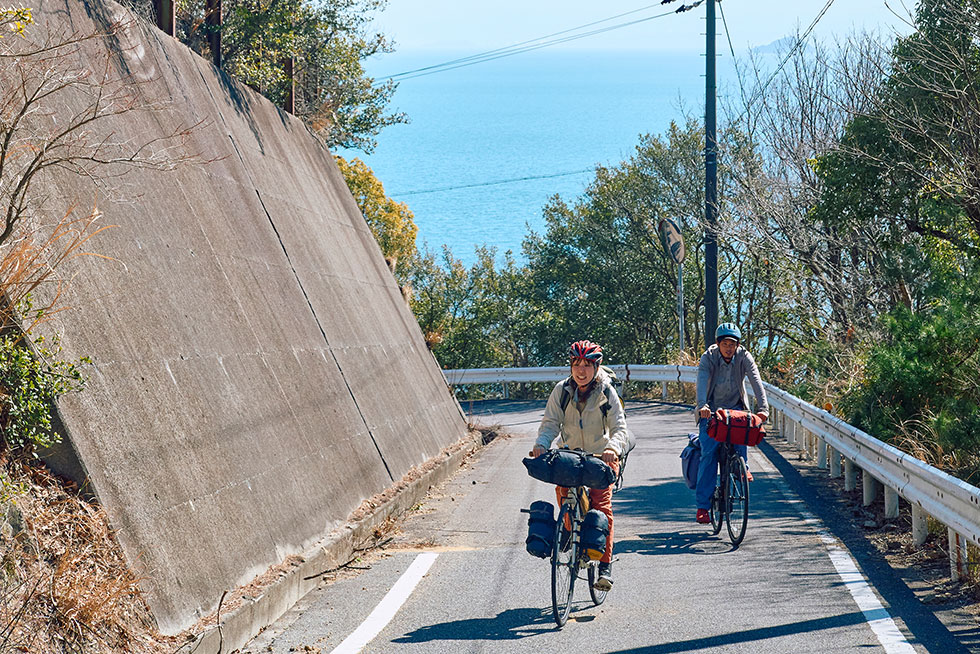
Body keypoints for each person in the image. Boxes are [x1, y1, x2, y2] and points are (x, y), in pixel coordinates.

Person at [530, 340, 630, 591]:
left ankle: (604, 565)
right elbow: (550, 423)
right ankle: (568, 529)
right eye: (576, 364)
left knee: (601, 507)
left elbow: (620, 428)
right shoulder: (561, 391)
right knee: (564, 496)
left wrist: (612, 449)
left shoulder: (607, 392)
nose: (581, 370)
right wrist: (541, 444)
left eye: (587, 364)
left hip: (601, 457)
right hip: (571, 456)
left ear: (597, 367)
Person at [694, 323, 769, 524]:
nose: (728, 348)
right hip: (711, 410)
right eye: (725, 343)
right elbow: (701, 382)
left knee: (742, 434)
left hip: (736, 408)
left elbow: (756, 381)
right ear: (718, 344)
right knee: (708, 454)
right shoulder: (708, 358)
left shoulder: (744, 357)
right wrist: (702, 405)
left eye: (732, 344)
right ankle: (703, 507)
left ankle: (741, 466)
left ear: (737, 345)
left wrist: (763, 409)